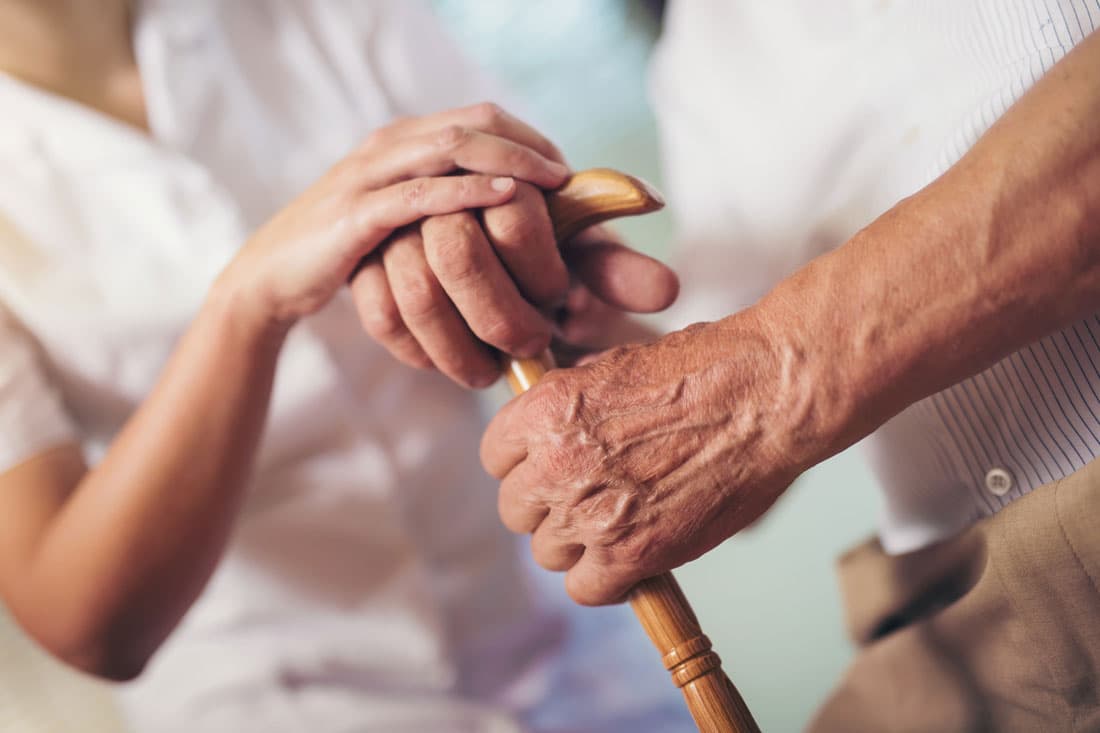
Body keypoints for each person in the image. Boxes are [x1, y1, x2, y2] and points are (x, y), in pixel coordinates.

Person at [0, 1, 689, 731]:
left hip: (574, 657)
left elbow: (599, 314)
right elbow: (87, 624)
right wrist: (249, 300)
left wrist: (559, 294)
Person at [482, 2, 1100, 730]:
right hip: (948, 605)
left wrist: (771, 378)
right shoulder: (701, 50)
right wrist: (602, 352)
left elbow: (750, 391)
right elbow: (715, 422)